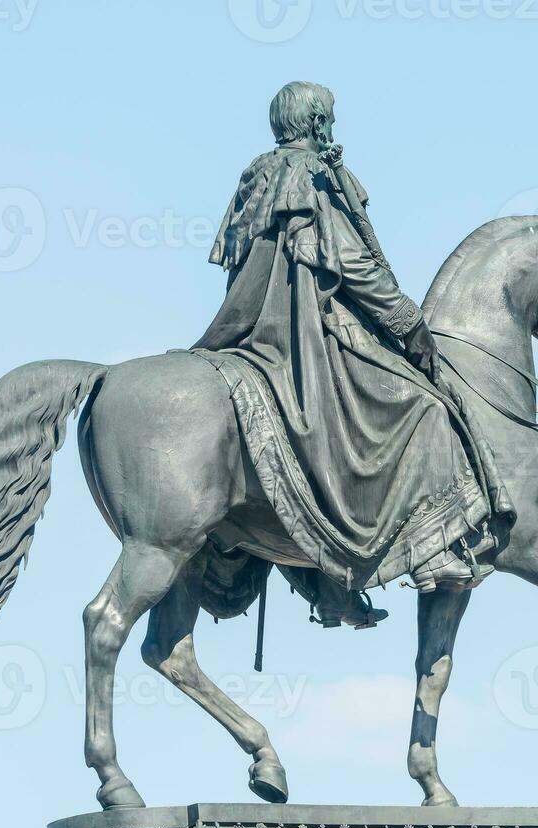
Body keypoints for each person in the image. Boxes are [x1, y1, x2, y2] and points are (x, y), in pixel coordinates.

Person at [193, 81, 501, 628]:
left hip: (252, 331)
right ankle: (435, 555)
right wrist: (408, 322)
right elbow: (352, 266)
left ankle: (327, 582)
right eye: (328, 118)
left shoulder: (257, 177)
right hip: (310, 332)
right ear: (314, 122)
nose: (332, 127)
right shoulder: (308, 175)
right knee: (425, 409)